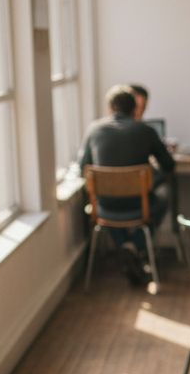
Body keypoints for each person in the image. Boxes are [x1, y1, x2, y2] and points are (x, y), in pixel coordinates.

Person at [74, 85, 175, 284]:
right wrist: (151, 177)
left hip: (104, 206)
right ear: (134, 109)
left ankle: (125, 246)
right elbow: (169, 166)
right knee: (162, 201)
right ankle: (136, 245)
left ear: (110, 107)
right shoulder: (145, 130)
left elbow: (82, 168)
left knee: (108, 204)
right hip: (139, 204)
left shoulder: (94, 129)